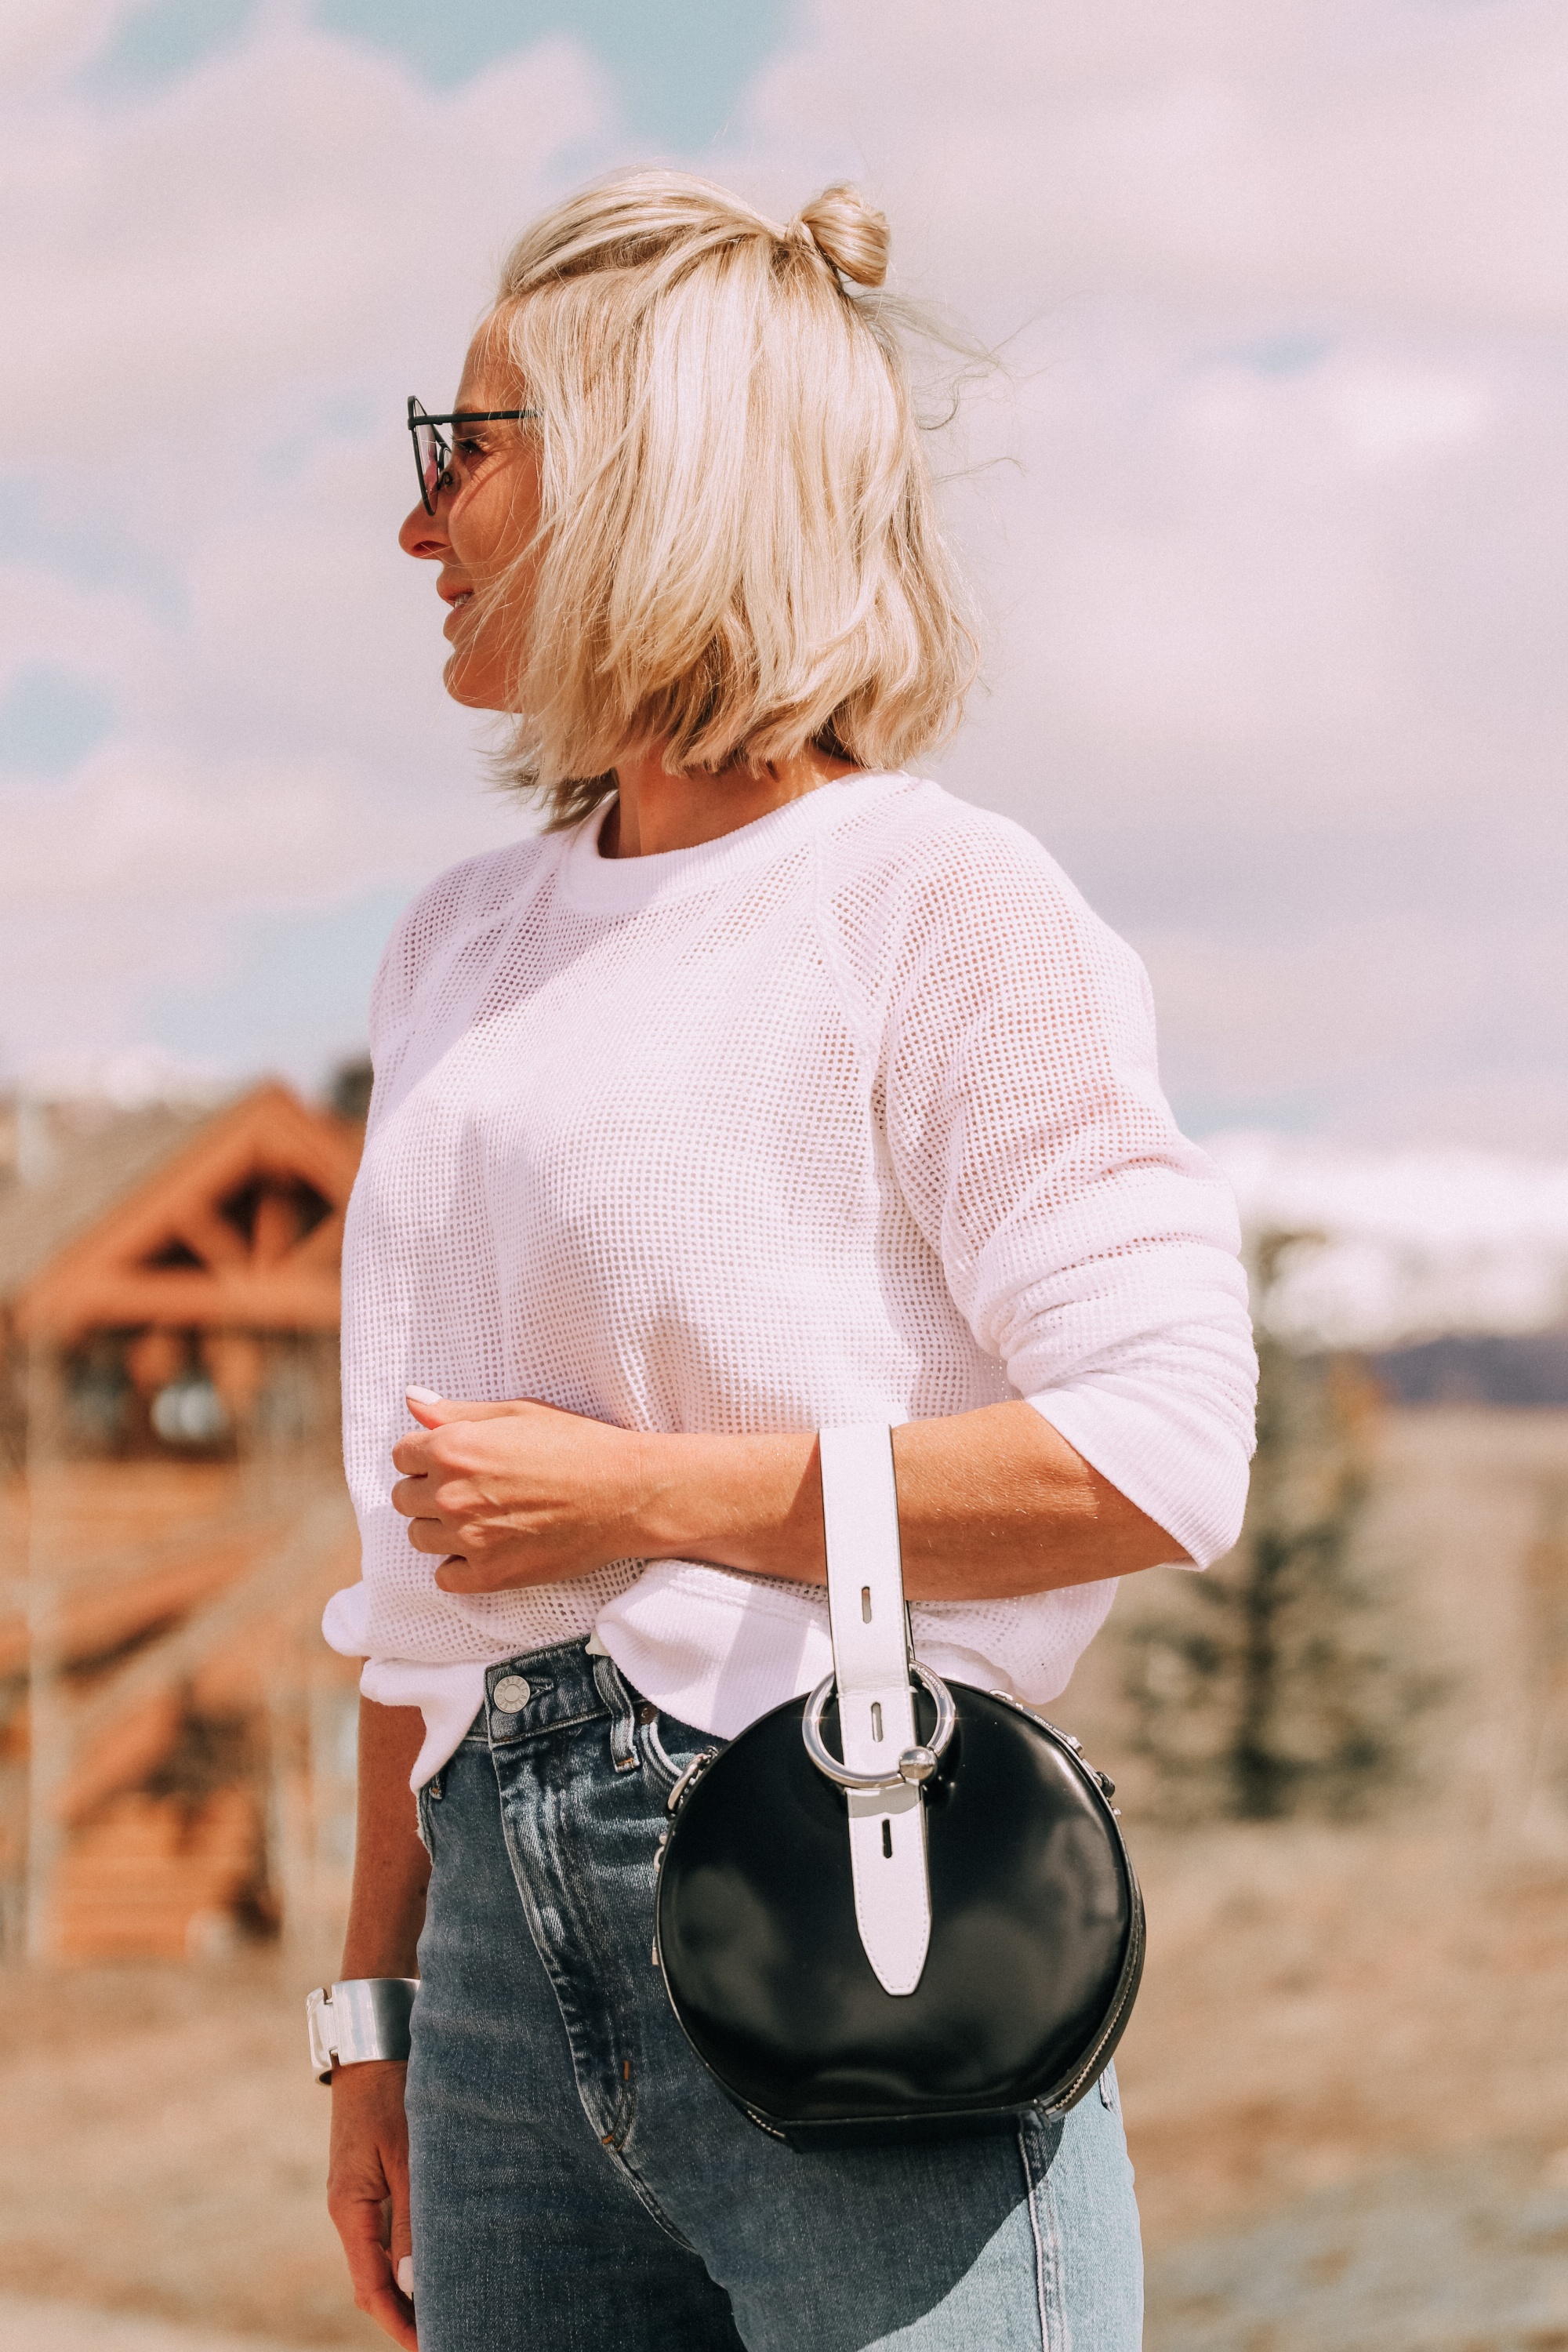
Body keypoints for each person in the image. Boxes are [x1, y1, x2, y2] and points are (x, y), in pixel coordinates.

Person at [321, 170, 1256, 2352]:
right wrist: (364, 2011)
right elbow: (409, 1554)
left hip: (848, 1889)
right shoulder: (455, 944)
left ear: (655, 468)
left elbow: (1165, 1446)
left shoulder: (935, 905)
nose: (419, 521)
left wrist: (646, 1502)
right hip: (486, 1966)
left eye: (467, 450)